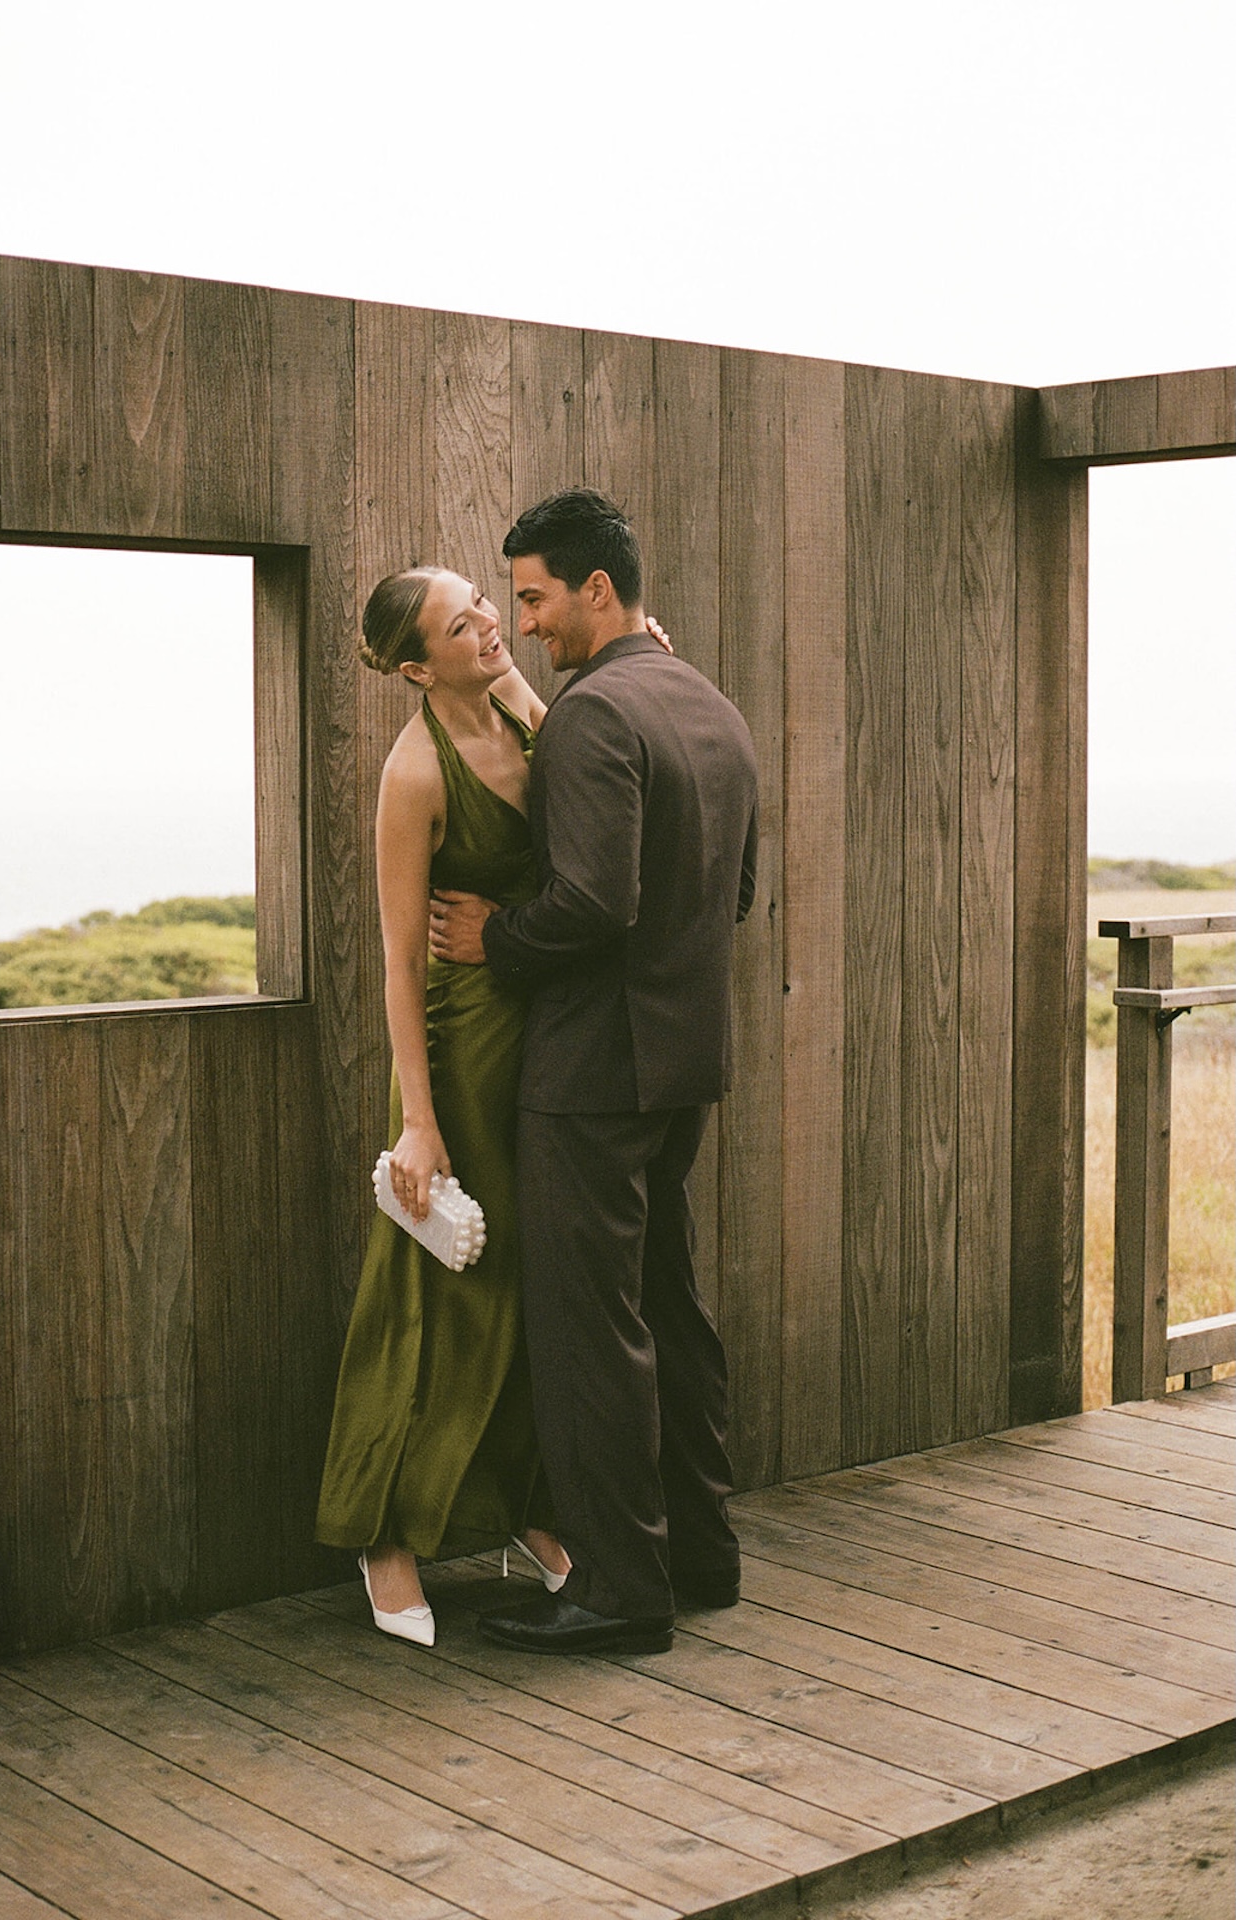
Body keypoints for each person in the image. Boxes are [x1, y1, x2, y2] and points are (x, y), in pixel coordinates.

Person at [429, 488, 760, 1656]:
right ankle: (699, 1558)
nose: (523, 626)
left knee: (588, 1333)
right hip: (682, 1065)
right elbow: (733, 897)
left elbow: (590, 905)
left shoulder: (589, 718)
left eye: (532, 598)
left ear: (596, 589)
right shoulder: (707, 704)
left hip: (588, 1074)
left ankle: (619, 1593)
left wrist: (490, 940)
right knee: (668, 1308)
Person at [314, 566, 571, 1646]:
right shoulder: (413, 774)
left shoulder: (528, 710)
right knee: (428, 1284)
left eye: (484, 608)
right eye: (459, 627)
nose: (487, 629)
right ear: (416, 665)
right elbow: (396, 968)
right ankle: (386, 1539)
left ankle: (524, 1512)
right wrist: (416, 1123)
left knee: (524, 1274)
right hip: (457, 1048)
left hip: (541, 1035)